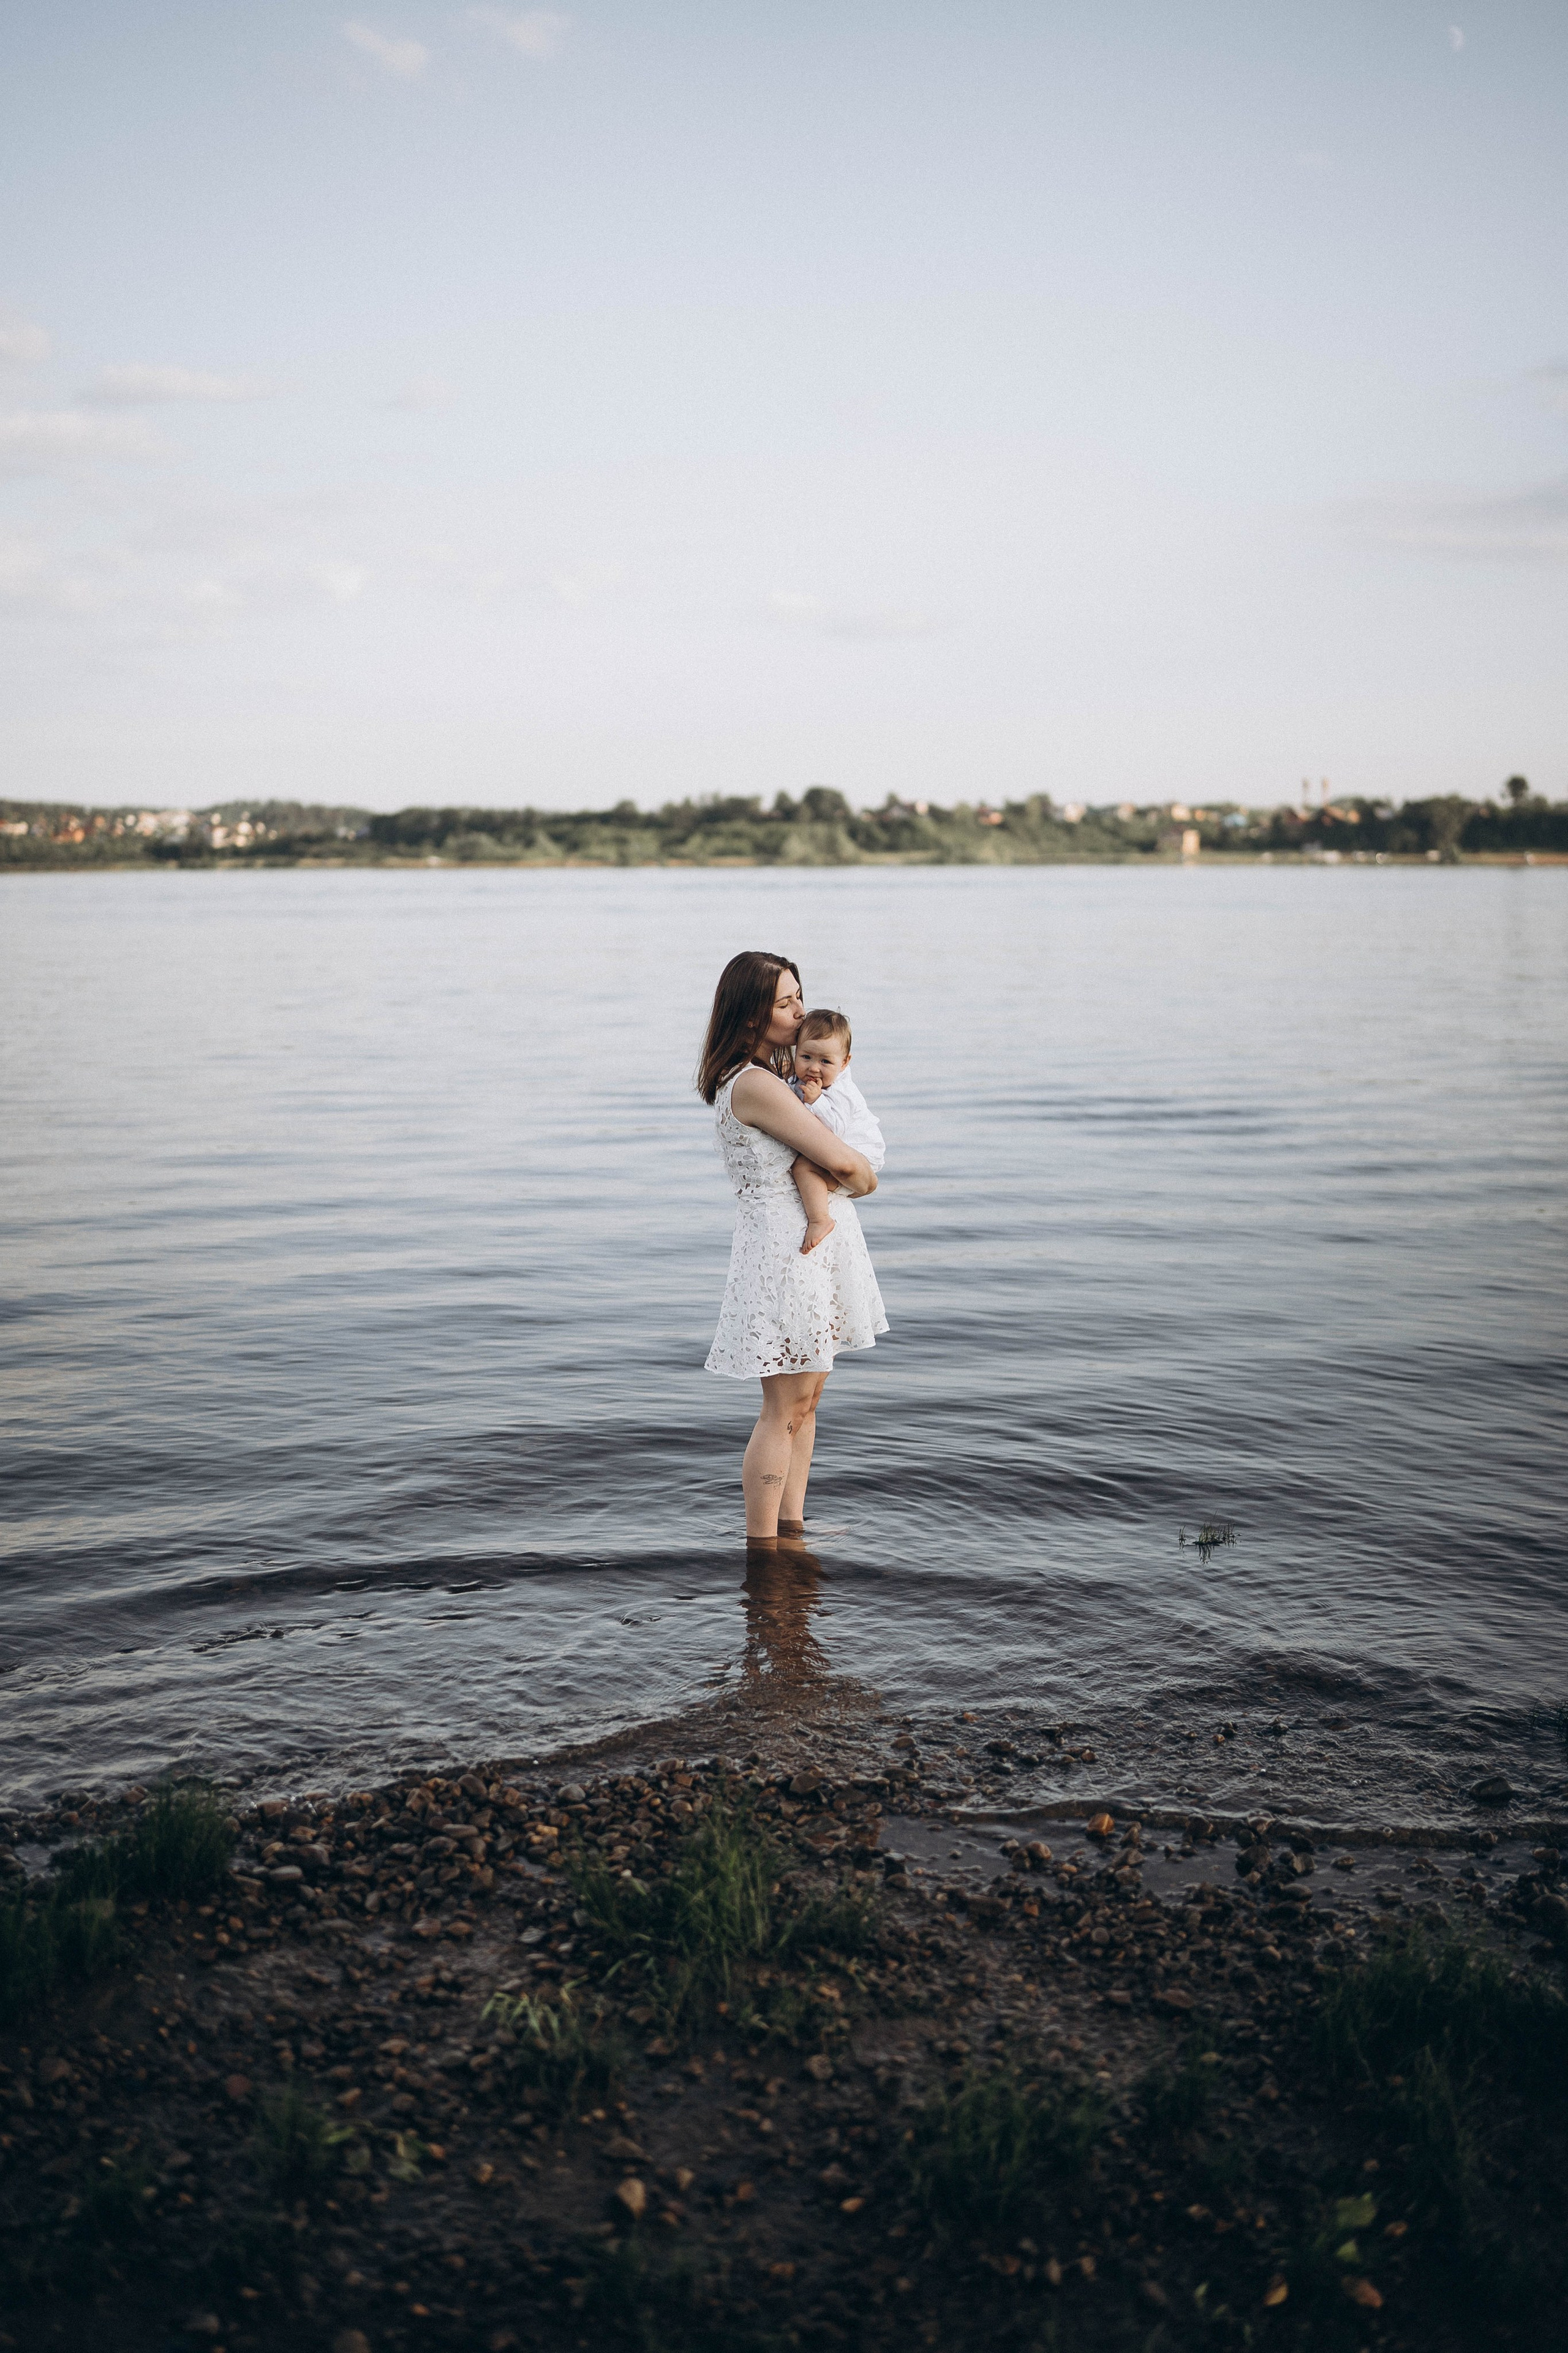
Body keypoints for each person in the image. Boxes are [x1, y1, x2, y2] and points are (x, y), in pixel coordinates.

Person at [696, 951, 888, 1544]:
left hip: (809, 1249)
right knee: (783, 1409)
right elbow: (843, 1162)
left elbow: (846, 1162)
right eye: (785, 1002)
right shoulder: (755, 1084)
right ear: (751, 1012)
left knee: (806, 1403)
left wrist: (856, 1174)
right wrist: (863, 1178)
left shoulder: (780, 1080)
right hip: (787, 1254)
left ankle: (792, 1530)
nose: (801, 1011)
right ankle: (763, 1548)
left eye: (799, 996)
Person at [786, 1007, 886, 1255]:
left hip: (861, 1154)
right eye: (806, 1057)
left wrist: (816, 1101)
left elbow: (836, 1128)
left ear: (844, 1062)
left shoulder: (842, 1091)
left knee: (803, 1167)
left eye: (825, 1062)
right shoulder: (811, 1080)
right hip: (845, 1154)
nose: (814, 1068)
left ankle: (820, 1219)